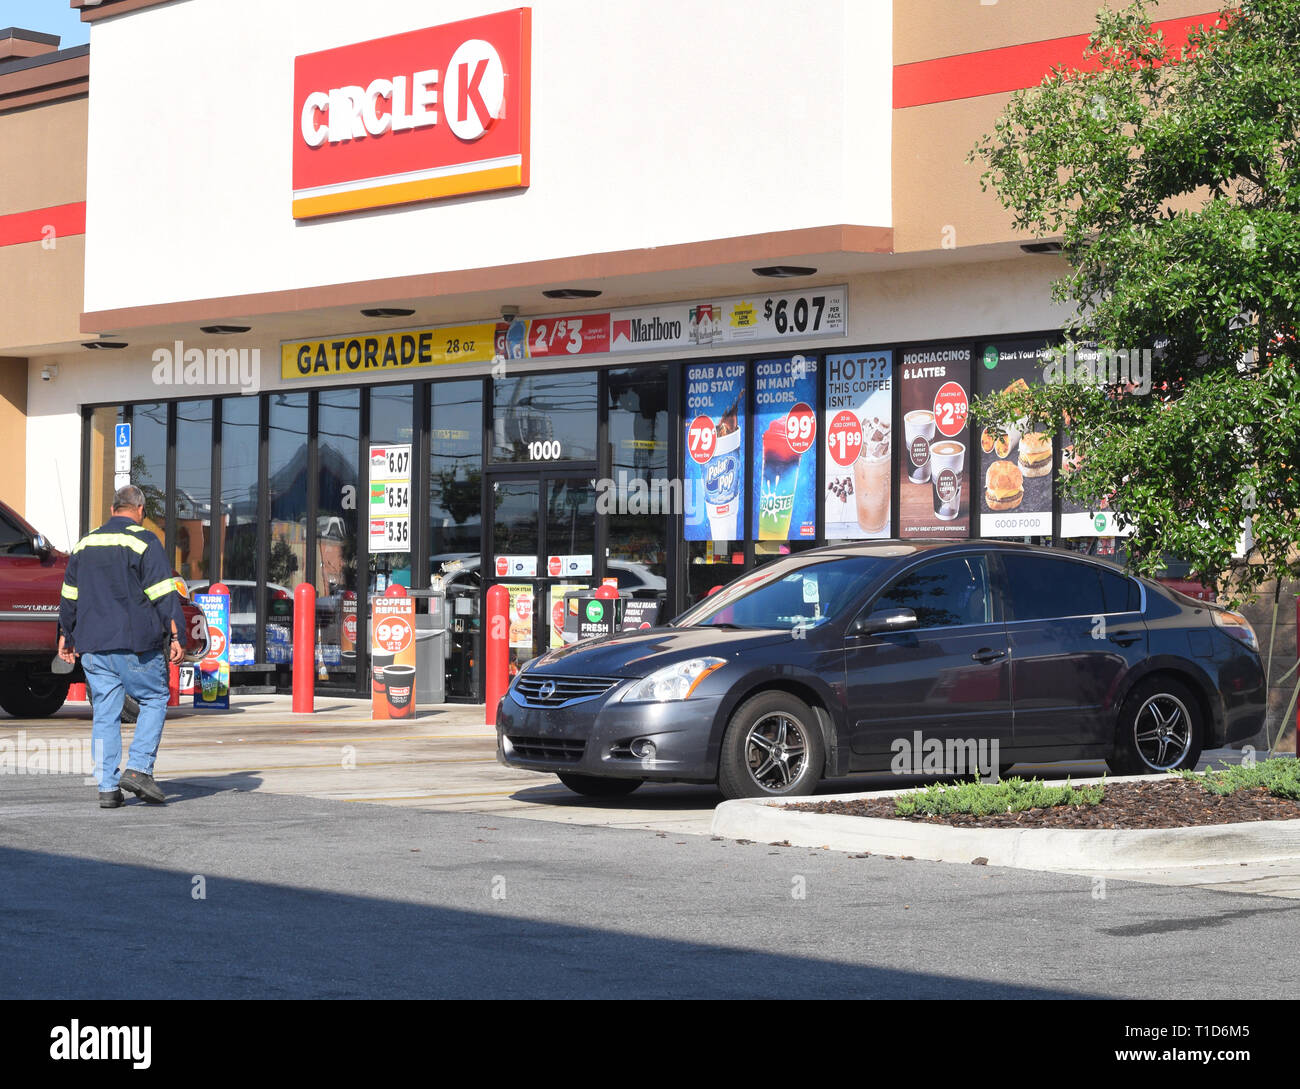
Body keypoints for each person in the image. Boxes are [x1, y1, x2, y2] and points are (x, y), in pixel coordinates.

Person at [58, 485, 186, 808]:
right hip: (134, 645)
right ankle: (139, 769)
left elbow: (69, 595)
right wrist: (176, 633)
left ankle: (107, 788)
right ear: (140, 510)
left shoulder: (84, 544)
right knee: (155, 697)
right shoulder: (144, 541)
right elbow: (162, 593)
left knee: (105, 712)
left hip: (93, 649)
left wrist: (65, 635)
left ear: (113, 509)